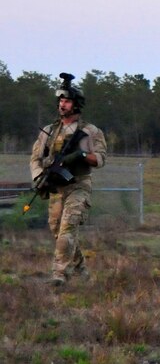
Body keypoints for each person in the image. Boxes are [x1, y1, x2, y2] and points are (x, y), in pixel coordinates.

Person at [30, 73, 107, 287]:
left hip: (78, 185)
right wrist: (39, 178)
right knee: (57, 229)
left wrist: (81, 155)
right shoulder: (49, 131)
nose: (63, 105)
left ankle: (59, 274)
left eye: (67, 101)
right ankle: (81, 270)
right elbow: (36, 157)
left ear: (76, 104)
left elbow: (100, 159)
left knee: (68, 228)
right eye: (61, 101)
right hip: (56, 186)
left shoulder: (90, 132)